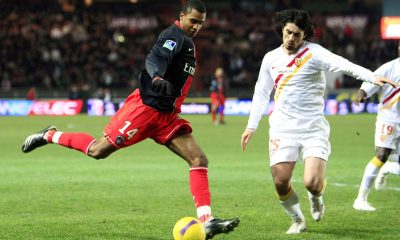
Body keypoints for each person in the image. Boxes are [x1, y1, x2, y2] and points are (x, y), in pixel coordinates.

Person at [21, 1, 239, 239]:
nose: (197, 26)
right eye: (193, 21)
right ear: (182, 16)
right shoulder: (174, 35)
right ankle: (50, 135)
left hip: (166, 116)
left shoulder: (188, 43)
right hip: (144, 110)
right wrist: (156, 77)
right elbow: (157, 56)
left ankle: (207, 221)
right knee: (97, 150)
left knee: (199, 158)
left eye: (201, 23)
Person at [240, 9, 396, 234]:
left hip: (313, 127)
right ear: (281, 31)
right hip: (283, 128)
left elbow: (343, 64)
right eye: (288, 32)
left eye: (297, 34)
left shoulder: (314, 53)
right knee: (281, 181)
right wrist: (251, 126)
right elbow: (261, 93)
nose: (291, 38)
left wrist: (371, 77)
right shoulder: (270, 59)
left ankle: (316, 197)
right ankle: (297, 220)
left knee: (312, 182)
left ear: (305, 36)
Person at [353, 41, 400, 211]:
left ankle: (387, 168)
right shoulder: (390, 67)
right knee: (381, 155)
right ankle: (360, 200)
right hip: (389, 118)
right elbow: (370, 82)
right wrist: (362, 93)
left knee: (392, 161)